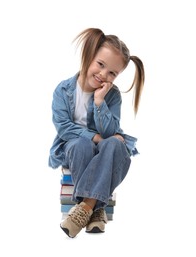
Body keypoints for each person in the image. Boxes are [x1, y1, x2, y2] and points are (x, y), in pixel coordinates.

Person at [48, 28, 145, 238]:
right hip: (73, 146)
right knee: (81, 144)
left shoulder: (112, 95)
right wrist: (93, 137)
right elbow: (64, 127)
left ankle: (84, 209)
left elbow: (109, 132)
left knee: (117, 144)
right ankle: (98, 210)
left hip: (104, 146)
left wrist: (100, 102)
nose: (103, 75)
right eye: (101, 64)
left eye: (112, 73)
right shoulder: (63, 90)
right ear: (89, 55)